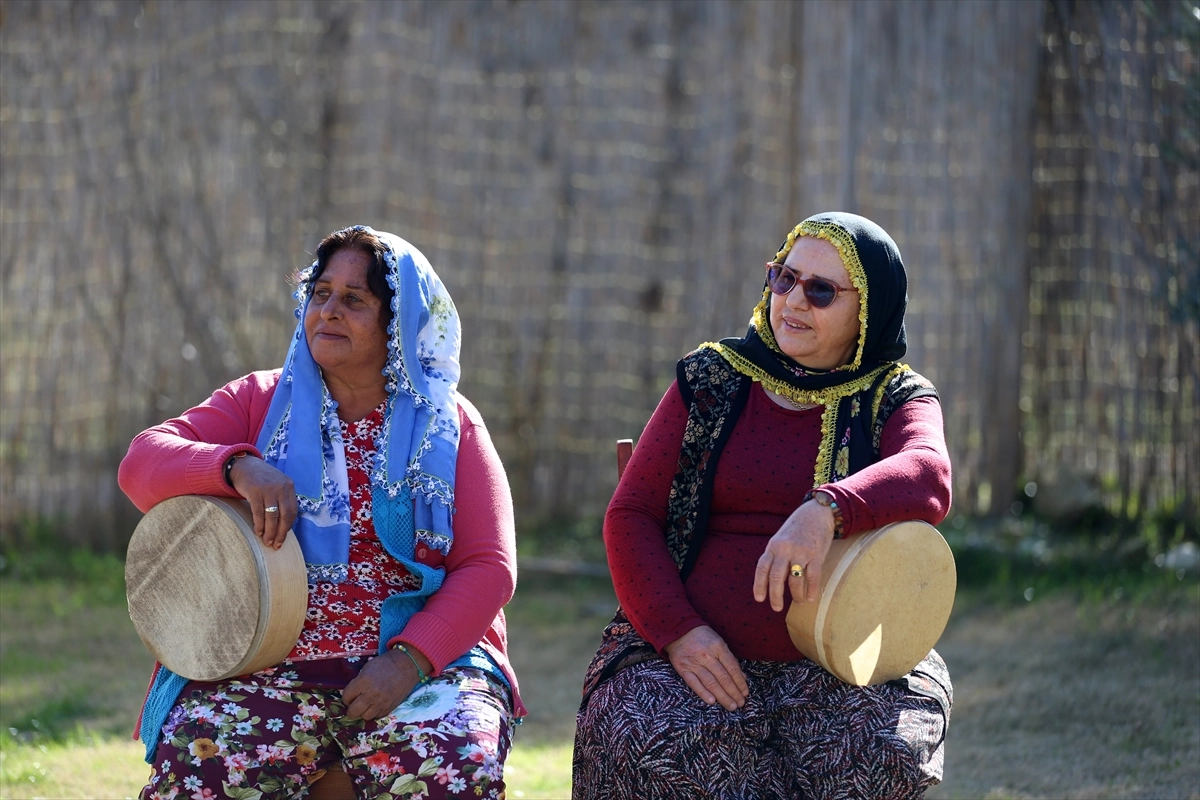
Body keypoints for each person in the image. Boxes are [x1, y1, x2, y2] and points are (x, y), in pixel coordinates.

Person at [119, 226, 523, 799]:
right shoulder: (259, 402)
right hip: (266, 661)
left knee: (454, 767)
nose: (329, 311)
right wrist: (236, 466)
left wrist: (408, 662)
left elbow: (489, 568)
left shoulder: (448, 425)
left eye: (355, 300)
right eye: (321, 293)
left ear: (401, 322)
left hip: (422, 665)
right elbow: (140, 463)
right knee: (202, 769)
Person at [573, 212, 953, 799]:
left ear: (868, 311)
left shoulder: (893, 395)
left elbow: (929, 474)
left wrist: (826, 509)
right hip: (696, 655)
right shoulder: (712, 379)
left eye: (822, 291)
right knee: (641, 733)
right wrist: (679, 634)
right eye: (785, 278)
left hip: (843, 665)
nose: (794, 301)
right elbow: (631, 515)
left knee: (881, 754)